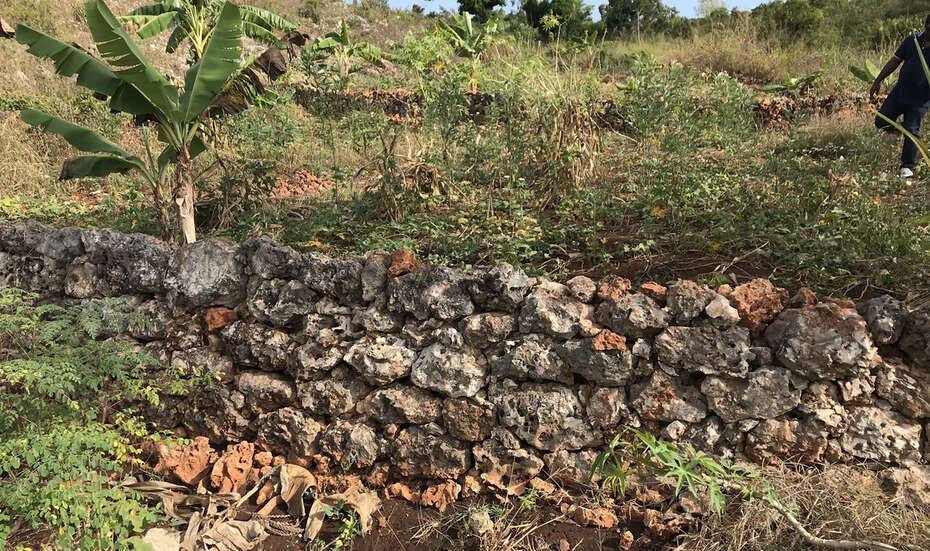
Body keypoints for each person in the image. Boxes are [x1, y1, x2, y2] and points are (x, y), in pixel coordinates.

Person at [871, 15, 930, 179]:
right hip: (900, 93)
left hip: (920, 100)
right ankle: (902, 129)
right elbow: (895, 61)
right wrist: (878, 80)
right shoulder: (912, 41)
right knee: (881, 121)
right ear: (926, 27)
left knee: (912, 131)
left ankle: (907, 167)